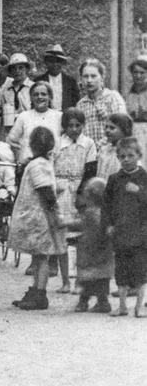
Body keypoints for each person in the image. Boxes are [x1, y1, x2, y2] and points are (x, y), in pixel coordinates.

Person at [8, 125, 66, 311]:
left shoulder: (37, 165)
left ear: (31, 145)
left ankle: (40, 294)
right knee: (37, 256)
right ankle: (35, 289)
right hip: (38, 215)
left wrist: (54, 215)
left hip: (39, 216)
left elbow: (46, 191)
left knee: (41, 258)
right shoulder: (41, 163)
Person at [52, 107, 98, 288]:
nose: (74, 129)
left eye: (78, 125)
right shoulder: (57, 143)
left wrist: (82, 194)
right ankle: (65, 282)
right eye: (70, 126)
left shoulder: (88, 144)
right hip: (61, 191)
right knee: (62, 238)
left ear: (83, 126)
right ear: (64, 126)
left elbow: (90, 171)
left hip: (80, 191)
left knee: (80, 239)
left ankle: (80, 280)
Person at [103, 136, 147, 317]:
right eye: (122, 156)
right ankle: (122, 306)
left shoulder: (144, 177)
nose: (126, 159)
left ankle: (139, 306)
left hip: (140, 232)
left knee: (141, 269)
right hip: (120, 232)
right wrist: (107, 225)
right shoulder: (114, 179)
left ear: (139, 155)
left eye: (130, 155)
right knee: (120, 269)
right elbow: (106, 204)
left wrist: (140, 192)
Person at [67, 178, 113, 313]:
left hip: (89, 250)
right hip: (104, 251)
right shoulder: (106, 212)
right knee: (102, 280)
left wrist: (65, 224)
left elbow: (80, 225)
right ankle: (103, 302)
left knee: (86, 279)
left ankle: (83, 302)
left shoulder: (90, 213)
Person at [7, 81, 63, 166]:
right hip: (29, 164)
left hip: (52, 165)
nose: (39, 97)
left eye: (43, 94)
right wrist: (20, 156)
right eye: (35, 94)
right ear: (31, 98)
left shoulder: (59, 116)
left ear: (50, 97)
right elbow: (11, 140)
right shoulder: (24, 116)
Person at [76, 58, 126, 148]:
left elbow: (122, 127)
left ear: (102, 78)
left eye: (93, 76)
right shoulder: (80, 105)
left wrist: (98, 147)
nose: (89, 80)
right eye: (85, 76)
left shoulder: (113, 97)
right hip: (89, 156)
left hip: (112, 151)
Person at [35, 43, 80, 112]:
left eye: (58, 61)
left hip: (66, 117)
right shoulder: (38, 81)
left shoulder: (71, 82)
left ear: (62, 63)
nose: (55, 64)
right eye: (51, 61)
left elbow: (77, 102)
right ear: (46, 62)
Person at [1, 53, 32, 133]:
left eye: (20, 68)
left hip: (29, 128)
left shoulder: (33, 87)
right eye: (13, 68)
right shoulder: (6, 90)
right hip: (11, 130)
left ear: (27, 69)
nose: (17, 71)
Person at [96, 113, 133, 181]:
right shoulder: (103, 150)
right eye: (106, 127)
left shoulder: (129, 152)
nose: (107, 130)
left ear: (124, 131)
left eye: (112, 128)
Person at [124, 54, 147, 165]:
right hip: (133, 132)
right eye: (135, 72)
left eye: (142, 72)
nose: (138, 76)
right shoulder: (127, 94)